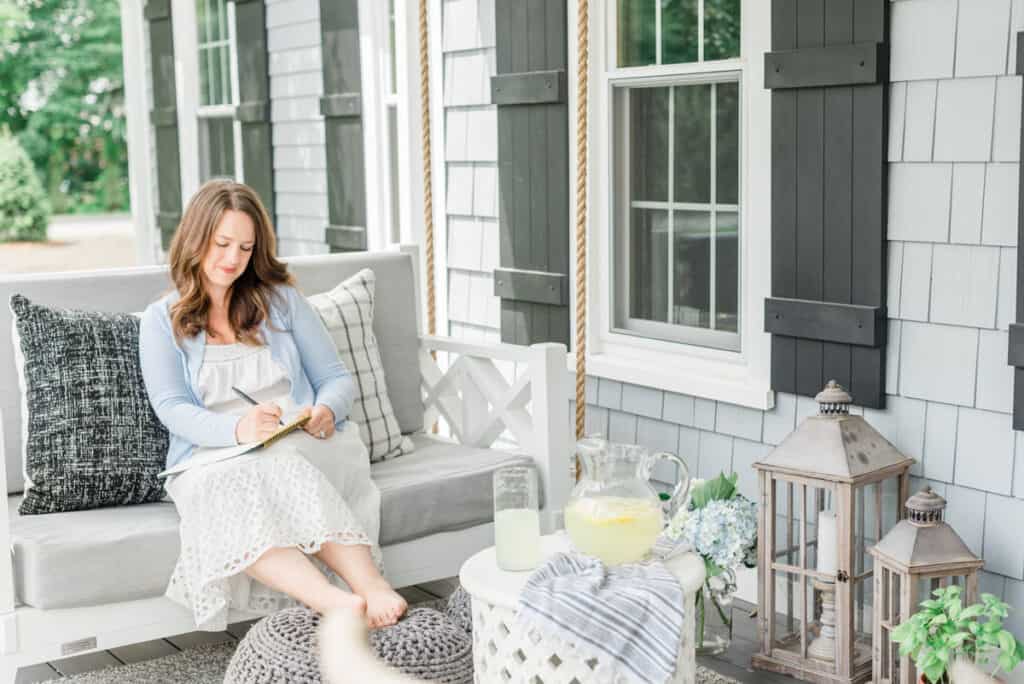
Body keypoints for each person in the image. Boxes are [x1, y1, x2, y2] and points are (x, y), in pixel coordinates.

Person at [139, 179, 407, 631]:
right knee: (226, 480)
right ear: (195, 239)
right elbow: (172, 408)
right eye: (221, 243)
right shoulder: (161, 320)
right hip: (212, 455)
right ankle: (331, 600)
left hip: (302, 441)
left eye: (245, 248)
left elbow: (335, 380)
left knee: (276, 459)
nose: (232, 259)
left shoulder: (281, 301)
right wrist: (239, 430)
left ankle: (371, 584)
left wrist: (326, 412)